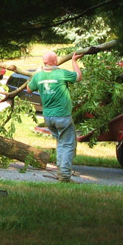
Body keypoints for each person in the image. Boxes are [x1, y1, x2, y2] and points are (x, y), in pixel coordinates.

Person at [27, 51, 83, 182]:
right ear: (54, 61)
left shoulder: (38, 76)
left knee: (61, 143)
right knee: (68, 145)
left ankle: (60, 172)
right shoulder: (61, 73)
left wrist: (36, 73)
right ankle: (64, 176)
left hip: (48, 118)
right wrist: (74, 61)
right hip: (62, 116)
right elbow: (78, 77)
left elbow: (29, 89)